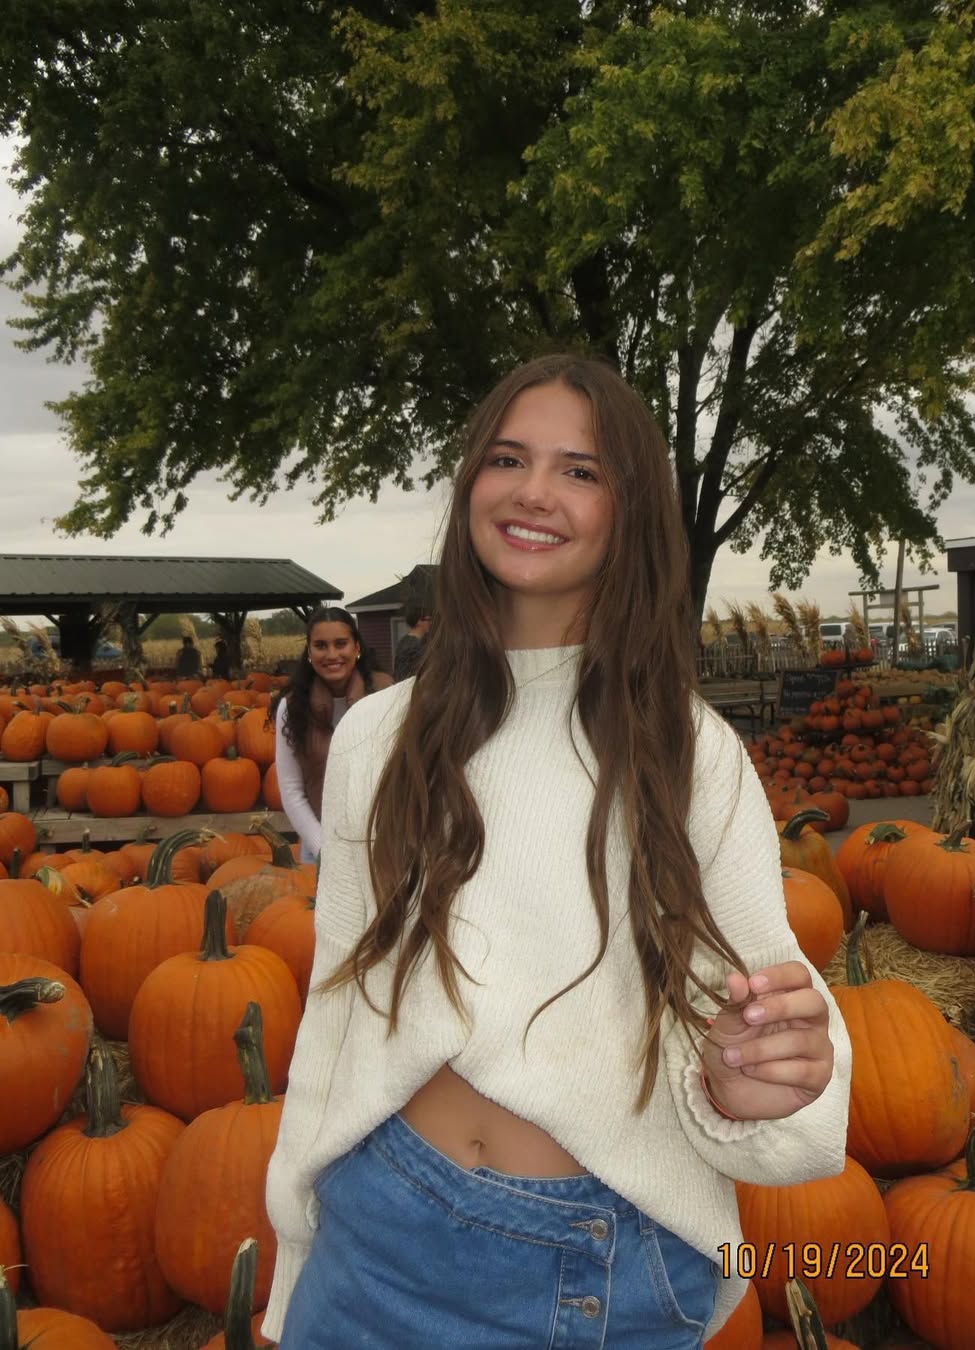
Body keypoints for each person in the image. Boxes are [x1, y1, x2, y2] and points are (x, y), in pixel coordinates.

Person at [262, 355, 851, 1348]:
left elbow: (757, 1007)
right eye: (507, 459)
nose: (533, 491)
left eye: (580, 471)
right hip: (372, 1233)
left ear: (631, 511)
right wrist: (295, 1255)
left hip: (591, 1264)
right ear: (470, 487)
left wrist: (748, 1087)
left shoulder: (687, 750)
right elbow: (340, 1009)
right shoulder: (377, 737)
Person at [272, 608, 393, 863]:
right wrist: (323, 848)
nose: (332, 655)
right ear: (309, 652)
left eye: (341, 644)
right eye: (321, 646)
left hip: (384, 843)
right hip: (322, 848)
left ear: (356, 647)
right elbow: (291, 790)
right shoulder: (292, 707)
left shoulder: (386, 693)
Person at [392, 601, 432, 682]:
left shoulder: (404, 641)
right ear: (419, 622)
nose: (431, 623)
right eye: (428, 619)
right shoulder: (414, 645)